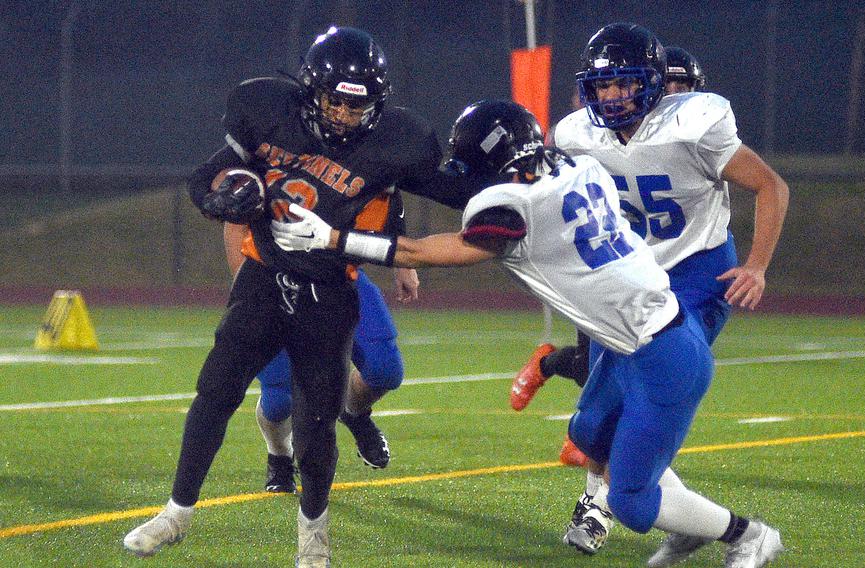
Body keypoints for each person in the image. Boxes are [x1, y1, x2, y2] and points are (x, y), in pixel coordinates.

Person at [272, 99, 785, 568]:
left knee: (630, 502)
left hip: (662, 352)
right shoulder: (577, 165)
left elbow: (427, 251)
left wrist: (336, 238)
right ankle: (683, 521)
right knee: (588, 434)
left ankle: (747, 535)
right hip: (633, 335)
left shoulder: (516, 207)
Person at [123, 26, 473, 567]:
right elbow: (205, 177)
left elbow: (454, 191)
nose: (344, 117)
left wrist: (513, 179)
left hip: (329, 292)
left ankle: (313, 542)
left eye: (358, 107)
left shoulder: (394, 143)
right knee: (214, 390)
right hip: (264, 279)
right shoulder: (267, 111)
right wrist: (221, 202)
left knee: (316, 425)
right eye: (335, 101)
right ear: (311, 91)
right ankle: (176, 513)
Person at [524, 23, 785, 566]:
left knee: (640, 422)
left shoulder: (691, 126)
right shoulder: (576, 136)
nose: (612, 97)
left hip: (695, 277)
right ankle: (683, 518)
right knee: (592, 427)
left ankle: (729, 529)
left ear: (652, 83)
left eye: (623, 85)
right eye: (602, 86)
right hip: (631, 279)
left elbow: (770, 185)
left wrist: (757, 265)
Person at [510, 43, 714, 469]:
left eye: (683, 85)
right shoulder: (587, 134)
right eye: (607, 87)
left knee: (640, 370)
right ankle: (595, 467)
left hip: (674, 267)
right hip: (611, 263)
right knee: (598, 365)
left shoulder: (695, 137)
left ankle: (601, 455)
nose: (676, 93)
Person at [224, 220, 416, 494]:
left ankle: (354, 413)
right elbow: (236, 221)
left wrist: (404, 262)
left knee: (384, 369)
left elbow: (386, 195)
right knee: (279, 401)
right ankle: (279, 455)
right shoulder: (266, 177)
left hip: (339, 278)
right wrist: (246, 287)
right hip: (277, 285)